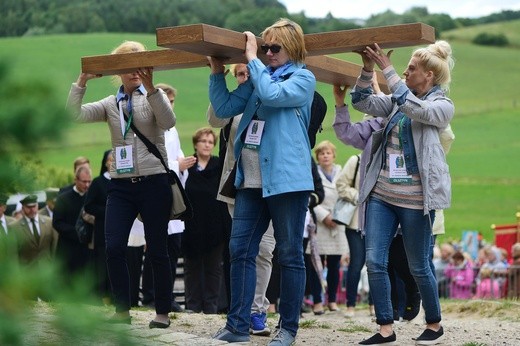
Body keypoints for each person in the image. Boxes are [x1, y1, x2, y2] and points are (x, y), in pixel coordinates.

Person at [208, 18, 316, 345]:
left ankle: (288, 329)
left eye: (274, 47)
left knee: (289, 254)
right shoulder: (260, 78)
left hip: (286, 181)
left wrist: (252, 57)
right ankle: (238, 326)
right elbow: (225, 107)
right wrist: (216, 72)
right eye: (264, 47)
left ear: (292, 48)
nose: (268, 53)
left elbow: (271, 96)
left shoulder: (302, 77)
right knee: (240, 249)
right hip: (251, 182)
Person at [351, 40, 455, 345]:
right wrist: (368, 68)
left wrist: (387, 68)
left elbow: (415, 108)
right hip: (382, 194)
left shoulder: (442, 106)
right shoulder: (397, 100)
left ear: (429, 77)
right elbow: (361, 101)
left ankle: (434, 324)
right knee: (374, 260)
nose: (406, 73)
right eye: (405, 68)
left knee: (418, 264)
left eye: (412, 69)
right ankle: (385, 327)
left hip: (417, 200)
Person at [66, 40, 175, 328]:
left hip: (154, 181)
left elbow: (169, 121)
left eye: (140, 64)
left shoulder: (155, 94)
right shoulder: (110, 104)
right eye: (128, 65)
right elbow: (74, 114)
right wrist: (82, 82)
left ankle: (162, 313)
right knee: (114, 247)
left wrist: (153, 89)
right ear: (118, 70)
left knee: (157, 249)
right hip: (122, 186)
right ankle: (121, 310)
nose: (135, 71)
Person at [207, 63, 275, 335]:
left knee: (265, 250)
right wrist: (220, 86)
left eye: (249, 73)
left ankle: (258, 311)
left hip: (272, 185)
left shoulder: (273, 97)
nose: (245, 78)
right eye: (240, 74)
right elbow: (214, 119)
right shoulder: (234, 106)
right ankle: (243, 312)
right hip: (241, 185)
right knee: (243, 250)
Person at [140, 83, 195, 312]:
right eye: (167, 102)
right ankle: (152, 296)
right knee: (156, 248)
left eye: (172, 103)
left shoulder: (171, 128)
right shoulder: (148, 127)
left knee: (172, 248)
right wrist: (176, 165)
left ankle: (168, 295)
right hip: (154, 190)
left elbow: (178, 153)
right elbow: (148, 160)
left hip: (172, 191)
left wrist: (182, 166)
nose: (170, 106)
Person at [181, 127, 229, 314]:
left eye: (210, 142)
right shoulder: (188, 166)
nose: (207, 145)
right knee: (191, 268)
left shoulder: (218, 166)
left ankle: (211, 307)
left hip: (214, 227)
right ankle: (193, 307)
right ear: (195, 144)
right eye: (204, 141)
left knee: (213, 268)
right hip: (191, 226)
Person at [306, 140, 349, 315]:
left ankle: (332, 300)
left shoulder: (341, 172)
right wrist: (324, 216)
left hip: (337, 223)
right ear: (317, 156)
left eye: (328, 153)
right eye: (322, 153)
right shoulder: (314, 172)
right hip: (319, 222)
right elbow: (310, 195)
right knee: (317, 263)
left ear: (333, 155)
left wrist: (337, 217)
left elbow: (346, 194)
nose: (325, 156)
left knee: (334, 264)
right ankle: (317, 301)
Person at [83, 149, 113, 303]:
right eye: (110, 159)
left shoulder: (124, 181)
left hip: (121, 230)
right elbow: (89, 206)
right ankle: (101, 298)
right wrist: (108, 210)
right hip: (102, 231)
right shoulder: (98, 182)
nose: (113, 161)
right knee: (102, 265)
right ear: (105, 163)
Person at [53, 165, 92, 277]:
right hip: (68, 250)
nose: (87, 185)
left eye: (89, 182)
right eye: (84, 182)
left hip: (86, 250)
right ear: (76, 180)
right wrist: (77, 232)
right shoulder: (63, 198)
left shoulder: (91, 197)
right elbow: (57, 222)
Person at [11, 194, 57, 266]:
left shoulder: (49, 222)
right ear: (23, 208)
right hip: (27, 272)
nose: (32, 210)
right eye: (29, 207)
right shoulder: (14, 227)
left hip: (47, 269)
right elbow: (13, 253)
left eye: (34, 206)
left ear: (37, 206)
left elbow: (55, 246)